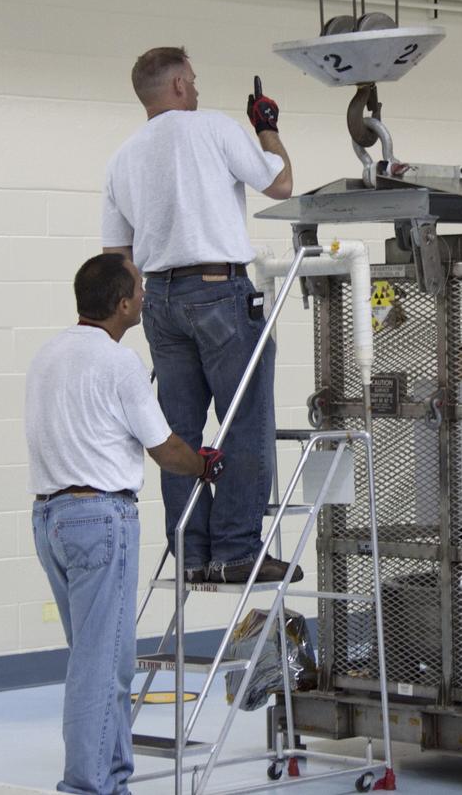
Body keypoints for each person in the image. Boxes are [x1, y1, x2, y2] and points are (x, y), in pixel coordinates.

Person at [26, 253, 225, 795]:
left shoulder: (47, 355)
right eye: (139, 289)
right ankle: (87, 787)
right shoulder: (120, 363)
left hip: (49, 520)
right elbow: (164, 447)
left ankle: (112, 781)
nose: (144, 296)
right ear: (121, 305)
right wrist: (204, 465)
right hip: (100, 519)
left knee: (97, 660)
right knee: (101, 669)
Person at [100, 45, 299, 585]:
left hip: (159, 300)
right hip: (219, 291)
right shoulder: (213, 127)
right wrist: (267, 128)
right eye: (193, 78)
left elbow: (117, 256)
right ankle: (236, 550)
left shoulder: (122, 159)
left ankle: (189, 553)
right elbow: (280, 183)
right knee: (245, 420)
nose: (197, 87)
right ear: (179, 85)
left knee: (177, 430)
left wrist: (144, 308)